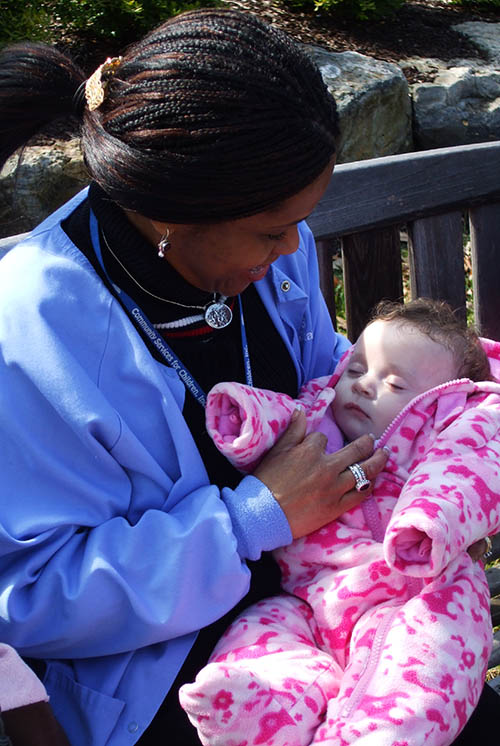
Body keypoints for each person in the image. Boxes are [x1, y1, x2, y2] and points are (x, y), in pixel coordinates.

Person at [0, 10, 392, 746]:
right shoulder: (31, 326)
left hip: (323, 600)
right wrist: (252, 520)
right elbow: (28, 595)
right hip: (170, 678)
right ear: (172, 212)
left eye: (300, 224)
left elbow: (322, 391)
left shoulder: (270, 253)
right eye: (272, 231)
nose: (291, 250)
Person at [180, 299, 500, 746]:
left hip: (417, 595)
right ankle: (257, 705)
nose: (364, 386)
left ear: (439, 402)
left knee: (422, 669)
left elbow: (468, 471)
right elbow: (284, 417)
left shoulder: (455, 430)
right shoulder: (318, 420)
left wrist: (431, 520)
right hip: (311, 600)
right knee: (262, 635)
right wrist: (246, 418)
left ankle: (376, 735)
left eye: (394, 383)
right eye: (355, 370)